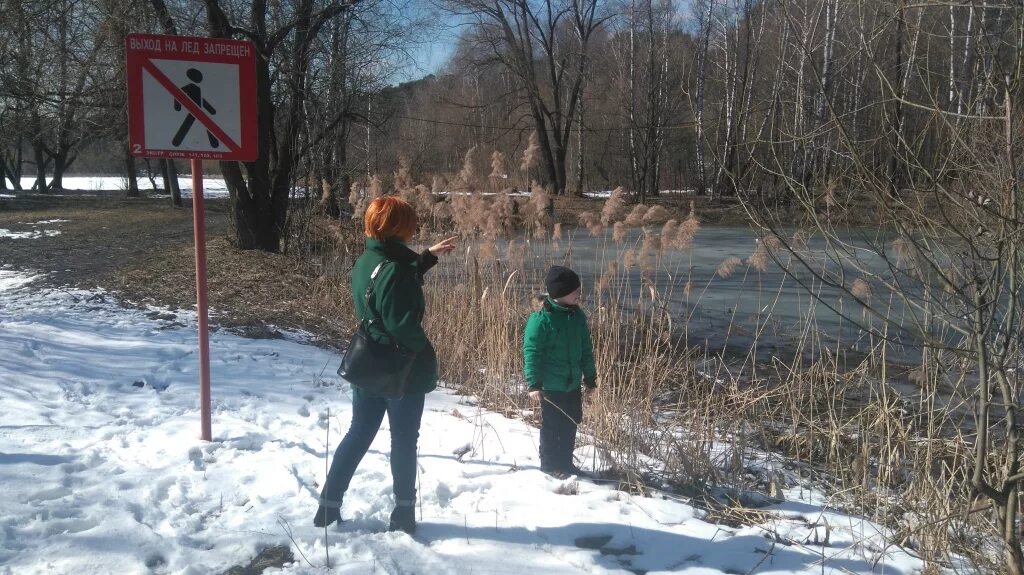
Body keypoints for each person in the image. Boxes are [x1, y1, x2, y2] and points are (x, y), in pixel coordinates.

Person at [314, 196, 456, 533]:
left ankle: (328, 507)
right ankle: (404, 516)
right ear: (400, 228)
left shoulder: (368, 259)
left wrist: (427, 257)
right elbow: (400, 320)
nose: (414, 228)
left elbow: (386, 282)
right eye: (410, 223)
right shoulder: (395, 270)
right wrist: (424, 348)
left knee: (359, 432)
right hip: (399, 369)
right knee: (404, 440)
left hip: (368, 362)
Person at [523, 265, 597, 479]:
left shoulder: (577, 317)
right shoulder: (541, 320)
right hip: (551, 386)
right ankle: (549, 464)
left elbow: (586, 348)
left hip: (572, 384)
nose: (579, 294)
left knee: (571, 422)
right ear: (562, 293)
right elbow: (532, 352)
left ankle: (565, 462)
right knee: (552, 426)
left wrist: (590, 378)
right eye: (575, 291)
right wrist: (533, 384)